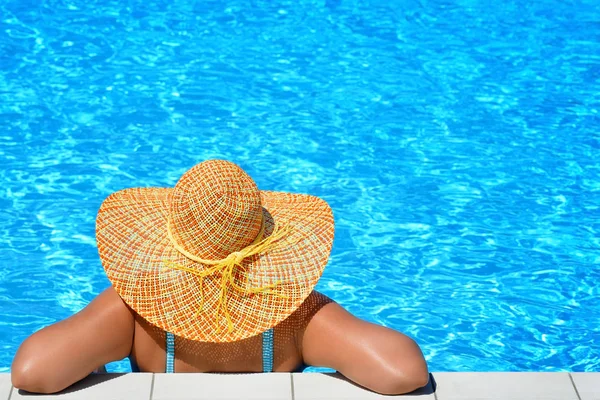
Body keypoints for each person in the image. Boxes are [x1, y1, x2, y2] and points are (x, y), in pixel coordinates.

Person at [11, 159, 429, 395]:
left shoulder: (134, 313)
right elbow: (403, 371)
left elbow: (32, 371)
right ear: (266, 245)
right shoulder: (298, 318)